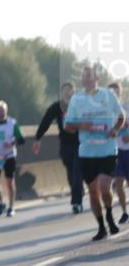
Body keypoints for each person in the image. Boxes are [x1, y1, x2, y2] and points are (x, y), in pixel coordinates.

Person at [64, 65, 125, 241]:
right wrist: (81, 125)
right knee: (93, 193)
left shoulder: (108, 95)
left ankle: (110, 216)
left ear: (96, 79)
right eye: (83, 77)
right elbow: (67, 126)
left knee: (105, 188)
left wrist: (115, 129)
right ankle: (101, 227)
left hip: (107, 150)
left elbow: (121, 117)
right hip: (87, 153)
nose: (86, 79)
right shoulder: (77, 99)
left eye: (89, 76)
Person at [33, 82, 84, 214]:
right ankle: (78, 192)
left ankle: (76, 202)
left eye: (70, 91)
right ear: (61, 93)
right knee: (70, 172)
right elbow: (46, 122)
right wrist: (37, 138)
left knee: (77, 171)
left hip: (80, 143)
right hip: (65, 144)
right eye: (65, 91)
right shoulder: (56, 107)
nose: (68, 93)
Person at [109, 82, 129, 224]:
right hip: (116, 152)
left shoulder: (127, 108)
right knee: (119, 184)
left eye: (116, 92)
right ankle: (124, 212)